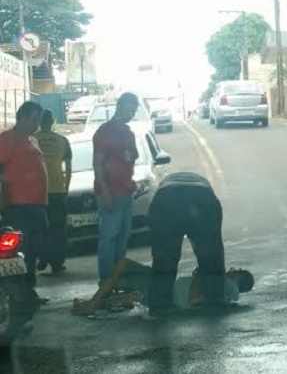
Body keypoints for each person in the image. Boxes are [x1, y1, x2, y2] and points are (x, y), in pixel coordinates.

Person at [148, 172, 227, 317]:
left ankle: (160, 305)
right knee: (211, 254)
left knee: (164, 257)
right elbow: (215, 248)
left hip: (166, 200)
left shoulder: (163, 189)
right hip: (202, 198)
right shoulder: (205, 187)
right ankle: (215, 299)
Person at [72, 257, 254, 316]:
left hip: (165, 288)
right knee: (124, 286)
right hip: (165, 291)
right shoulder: (229, 293)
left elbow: (197, 297)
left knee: (122, 264)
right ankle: (98, 302)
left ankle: (91, 305)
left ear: (239, 276)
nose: (231, 269)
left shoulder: (227, 285)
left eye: (235, 270)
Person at [0, 101, 48, 304]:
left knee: (33, 250)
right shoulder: (7, 139)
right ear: (23, 117)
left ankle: (29, 291)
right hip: (18, 206)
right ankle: (18, 296)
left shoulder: (32, 140)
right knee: (17, 253)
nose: (37, 124)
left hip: (36, 205)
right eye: (34, 119)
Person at [93, 92, 139, 282]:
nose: (131, 113)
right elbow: (98, 164)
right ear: (119, 107)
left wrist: (131, 181)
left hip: (125, 193)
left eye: (134, 110)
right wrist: (105, 192)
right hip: (110, 193)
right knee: (109, 238)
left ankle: (118, 279)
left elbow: (130, 161)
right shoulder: (104, 132)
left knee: (122, 239)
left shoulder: (128, 133)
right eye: (129, 109)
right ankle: (106, 280)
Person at [35, 109, 72, 275]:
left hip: (37, 192)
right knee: (58, 228)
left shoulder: (33, 140)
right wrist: (66, 188)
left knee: (40, 227)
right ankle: (57, 263)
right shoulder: (62, 140)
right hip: (58, 190)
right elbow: (69, 168)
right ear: (52, 122)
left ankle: (43, 257)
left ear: (40, 122)